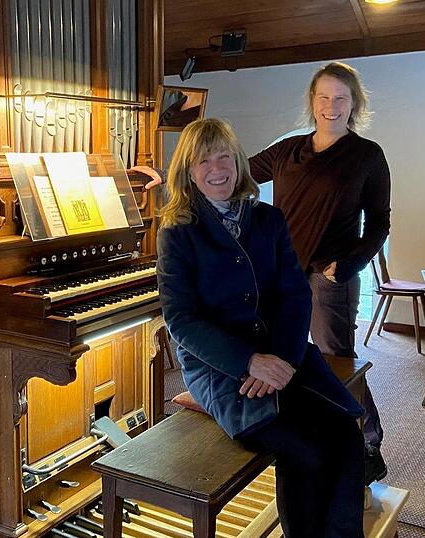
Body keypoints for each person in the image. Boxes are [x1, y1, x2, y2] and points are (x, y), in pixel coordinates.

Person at [138, 61, 391, 483]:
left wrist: (345, 265)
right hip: (276, 274)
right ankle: (228, 400)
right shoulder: (290, 149)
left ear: (353, 104)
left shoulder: (367, 155)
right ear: (312, 102)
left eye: (340, 98)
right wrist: (166, 176)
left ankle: (367, 439)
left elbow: (379, 223)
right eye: (323, 97)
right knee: (283, 375)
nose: (331, 106)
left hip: (326, 279)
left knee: (336, 367)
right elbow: (228, 171)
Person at [157, 118, 365, 537]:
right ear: (188, 172)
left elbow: (294, 294)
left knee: (345, 435)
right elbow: (181, 320)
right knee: (305, 451)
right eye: (203, 161)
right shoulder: (177, 232)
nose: (216, 168)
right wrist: (249, 362)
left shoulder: (268, 219)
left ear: (238, 162)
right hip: (220, 368)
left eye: (224, 157)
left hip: (283, 353)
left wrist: (283, 359)